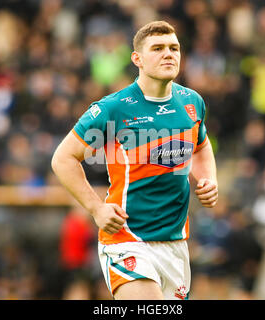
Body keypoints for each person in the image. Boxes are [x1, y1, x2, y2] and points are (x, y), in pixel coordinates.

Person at [51, 21, 218, 300]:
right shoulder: (113, 108)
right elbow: (63, 158)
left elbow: (201, 146)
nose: (169, 54)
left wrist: (208, 178)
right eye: (158, 48)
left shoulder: (192, 101)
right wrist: (95, 208)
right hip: (128, 240)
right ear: (137, 59)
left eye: (174, 48)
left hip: (176, 244)